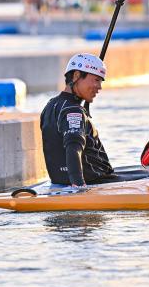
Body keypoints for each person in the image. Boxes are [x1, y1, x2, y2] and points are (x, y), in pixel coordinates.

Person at [40, 54, 120, 188]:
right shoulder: (73, 110)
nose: (99, 87)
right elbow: (73, 148)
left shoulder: (50, 105)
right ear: (76, 76)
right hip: (92, 182)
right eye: (96, 80)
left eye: (100, 81)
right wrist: (79, 185)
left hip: (60, 182)